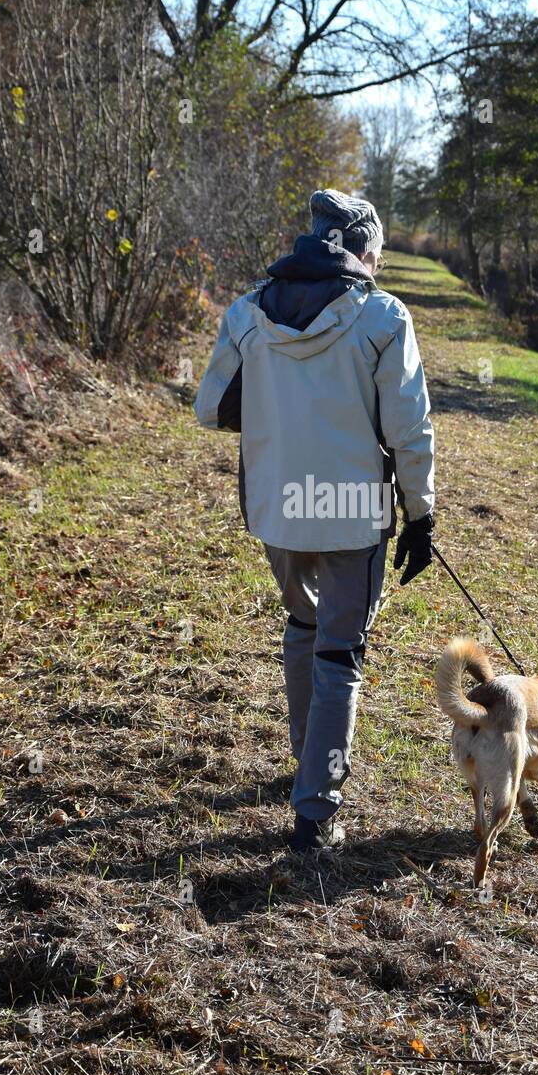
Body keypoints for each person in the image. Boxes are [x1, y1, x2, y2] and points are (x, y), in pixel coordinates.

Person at [194, 189, 435, 852]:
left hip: (277, 505)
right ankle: (317, 812)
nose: (380, 265)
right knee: (338, 651)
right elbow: (408, 430)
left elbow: (210, 408)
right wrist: (421, 513)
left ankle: (308, 767)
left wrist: (277, 400)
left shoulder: (247, 311)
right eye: (378, 253)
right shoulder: (383, 316)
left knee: (304, 628)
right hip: (353, 514)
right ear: (363, 250)